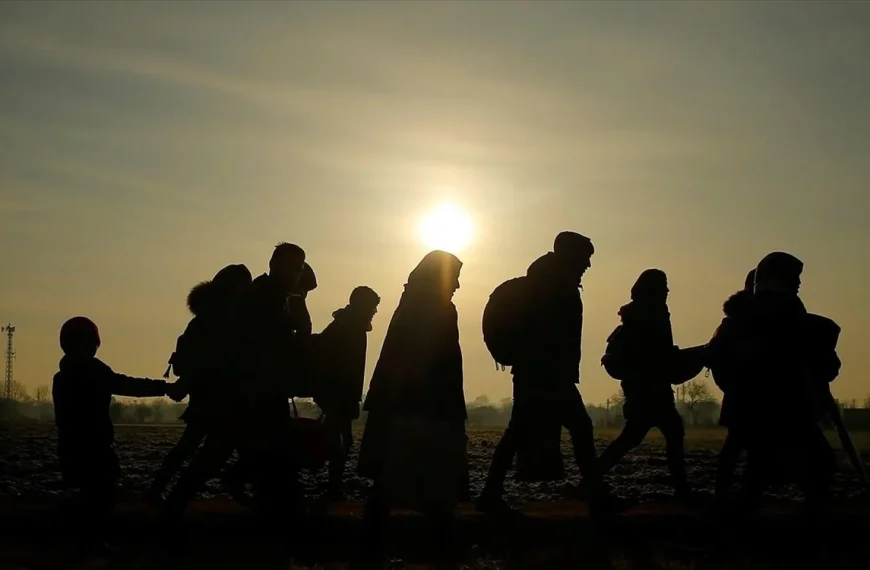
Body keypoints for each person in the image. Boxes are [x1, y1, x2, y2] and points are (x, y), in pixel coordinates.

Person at [353, 251, 467, 569]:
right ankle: (443, 548)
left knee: (393, 485)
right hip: (423, 410)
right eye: (454, 276)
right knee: (428, 483)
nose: (457, 284)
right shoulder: (436, 308)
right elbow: (437, 363)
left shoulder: (412, 304)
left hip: (404, 407)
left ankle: (371, 549)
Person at [477, 232, 604, 515]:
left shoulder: (549, 281)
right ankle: (596, 496)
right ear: (572, 256)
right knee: (578, 428)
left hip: (538, 372)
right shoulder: (555, 286)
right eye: (585, 258)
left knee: (519, 433)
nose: (588, 265)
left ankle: (490, 493)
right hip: (546, 374)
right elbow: (552, 334)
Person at [707, 252, 838, 516]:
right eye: (793, 278)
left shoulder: (773, 313)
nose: (798, 283)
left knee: (763, 468)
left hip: (778, 406)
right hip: (776, 407)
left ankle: (740, 524)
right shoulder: (773, 315)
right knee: (809, 464)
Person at [52, 317, 176, 552]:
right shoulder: (94, 371)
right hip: (95, 449)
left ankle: (86, 543)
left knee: (92, 497)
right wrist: (164, 388)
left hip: (70, 446)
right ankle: (93, 545)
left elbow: (62, 419)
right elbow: (127, 385)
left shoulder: (62, 376)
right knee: (101, 499)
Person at [154, 264, 254, 516]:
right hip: (218, 395)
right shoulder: (225, 319)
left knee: (189, 446)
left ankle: (159, 490)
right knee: (216, 449)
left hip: (206, 395)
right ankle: (169, 497)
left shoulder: (205, 319)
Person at [597, 269, 703, 498]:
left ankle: (591, 478)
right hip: (650, 387)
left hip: (642, 387)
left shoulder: (638, 312)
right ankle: (681, 488)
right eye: (663, 286)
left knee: (636, 437)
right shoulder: (653, 313)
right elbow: (653, 352)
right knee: (668, 433)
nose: (667, 291)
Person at [312, 286, 381, 499]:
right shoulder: (347, 329)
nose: (375, 312)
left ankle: (334, 484)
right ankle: (333, 486)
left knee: (341, 441)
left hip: (341, 396)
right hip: (337, 396)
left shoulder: (348, 326)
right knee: (338, 443)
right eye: (372, 307)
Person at [709, 269, 756, 504]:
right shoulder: (742, 323)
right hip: (746, 392)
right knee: (745, 447)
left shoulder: (733, 322)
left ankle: (728, 496)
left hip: (740, 392)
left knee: (738, 446)